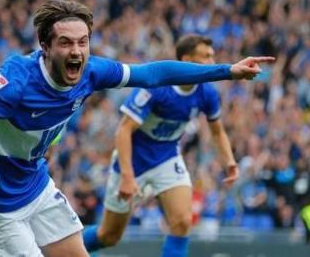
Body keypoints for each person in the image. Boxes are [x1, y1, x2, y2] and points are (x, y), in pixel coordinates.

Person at [0, 0, 273, 257]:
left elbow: (153, 73)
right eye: (66, 43)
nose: (76, 51)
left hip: (36, 185)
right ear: (45, 45)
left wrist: (226, 71)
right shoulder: (17, 80)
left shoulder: (91, 71)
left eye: (83, 42)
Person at [83, 35, 239, 257]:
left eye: (213, 56)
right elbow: (124, 131)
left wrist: (229, 161)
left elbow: (217, 131)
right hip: (132, 161)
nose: (212, 62)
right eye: (206, 56)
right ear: (186, 60)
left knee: (183, 221)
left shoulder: (207, 92)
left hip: (166, 158)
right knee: (109, 236)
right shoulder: (157, 88)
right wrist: (127, 176)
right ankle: (62, 250)